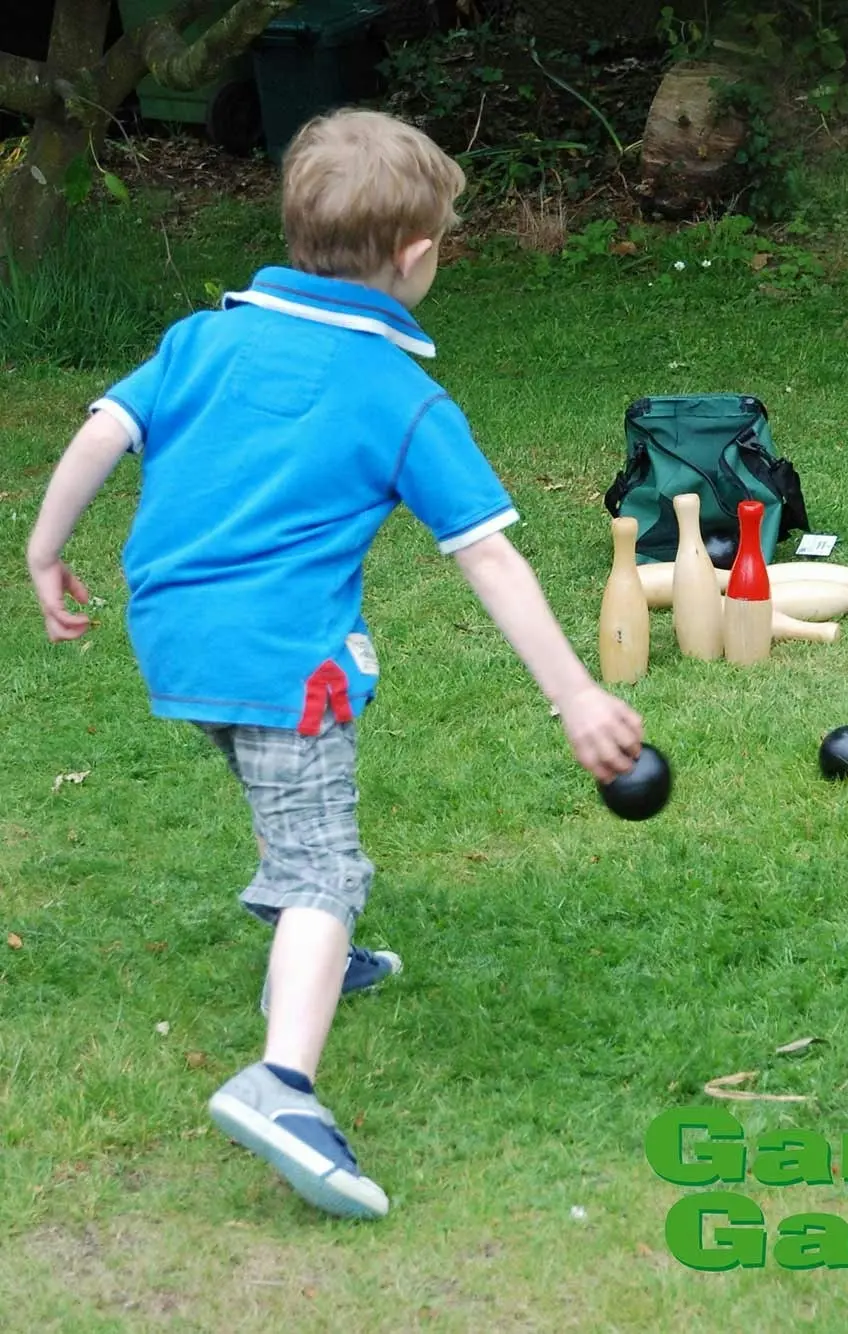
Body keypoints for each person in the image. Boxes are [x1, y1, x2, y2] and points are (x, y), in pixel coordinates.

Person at [25, 108, 644, 1221]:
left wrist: (42, 546)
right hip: (282, 656)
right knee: (326, 865)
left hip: (171, 633)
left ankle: (318, 947)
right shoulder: (394, 391)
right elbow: (489, 556)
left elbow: (103, 428)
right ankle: (283, 1080)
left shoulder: (203, 336)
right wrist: (575, 689)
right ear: (416, 258)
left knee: (276, 784)